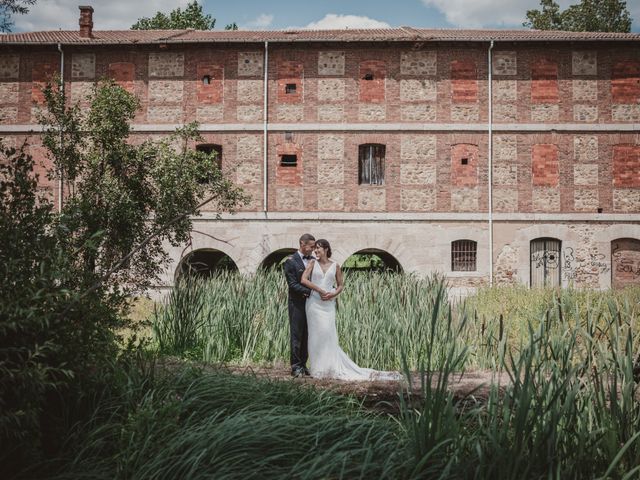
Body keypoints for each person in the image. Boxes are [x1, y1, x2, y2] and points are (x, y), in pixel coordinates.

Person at [301, 239, 402, 381]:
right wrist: (318, 289)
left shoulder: (335, 266)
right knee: (315, 335)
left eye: (318, 248)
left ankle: (330, 367)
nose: (315, 251)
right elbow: (303, 280)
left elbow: (341, 285)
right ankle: (317, 369)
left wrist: (333, 293)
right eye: (315, 248)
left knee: (328, 333)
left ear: (326, 249)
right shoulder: (312, 263)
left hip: (328, 303)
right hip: (314, 303)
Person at [283, 233, 316, 377]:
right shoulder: (290, 261)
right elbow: (292, 285)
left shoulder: (314, 260)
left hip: (312, 304)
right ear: (302, 244)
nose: (313, 249)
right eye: (311, 246)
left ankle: (303, 364)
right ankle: (295, 366)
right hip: (297, 303)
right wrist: (310, 292)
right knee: (297, 335)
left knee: (308, 335)